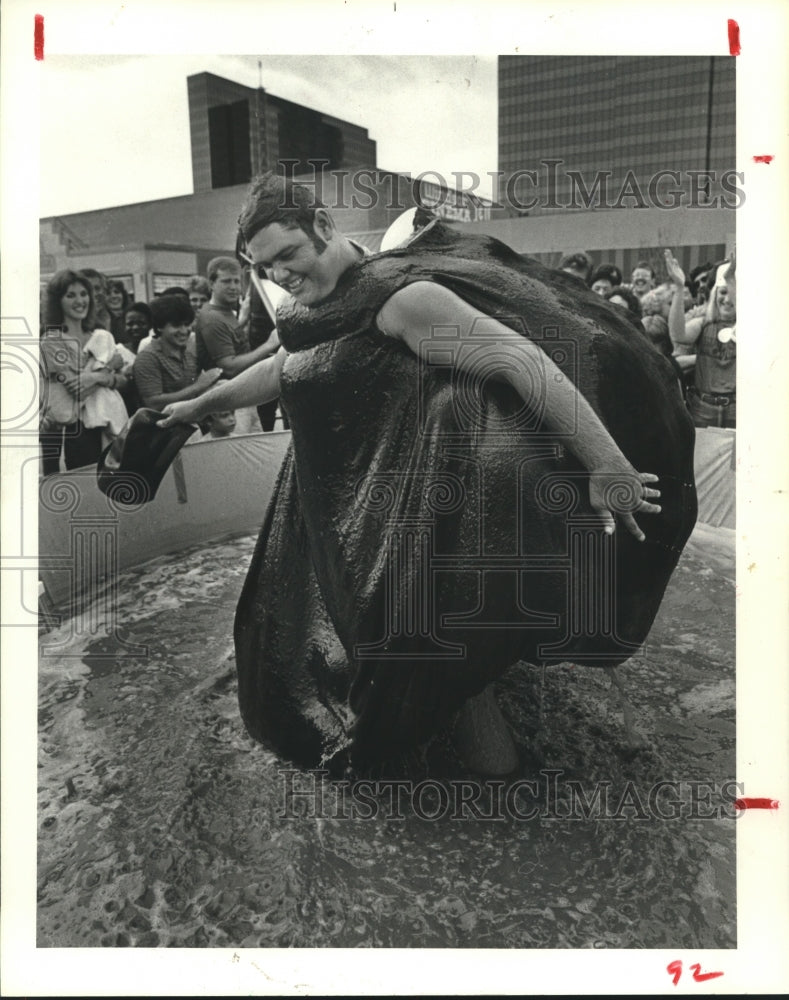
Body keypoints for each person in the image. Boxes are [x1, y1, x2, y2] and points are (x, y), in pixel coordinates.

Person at [159, 172, 696, 774]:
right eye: (265, 266)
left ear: (325, 228)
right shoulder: (311, 311)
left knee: (439, 672)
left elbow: (521, 361)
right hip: (354, 519)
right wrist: (199, 405)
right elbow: (282, 369)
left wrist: (606, 463)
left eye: (288, 255)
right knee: (405, 659)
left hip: (426, 526)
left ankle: (510, 817)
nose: (280, 275)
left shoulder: (403, 300)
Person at [40, 269, 128, 475]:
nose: (80, 301)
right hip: (72, 432)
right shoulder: (52, 341)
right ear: (57, 301)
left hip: (107, 426)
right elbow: (76, 390)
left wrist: (98, 376)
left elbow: (124, 380)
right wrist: (105, 370)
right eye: (70, 295)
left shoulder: (101, 336)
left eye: (83, 294)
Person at [194, 257, 275, 434]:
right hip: (232, 401)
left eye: (237, 281)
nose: (233, 287)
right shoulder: (213, 319)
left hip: (242, 397)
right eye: (226, 281)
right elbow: (229, 366)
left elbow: (232, 343)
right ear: (212, 283)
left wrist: (242, 321)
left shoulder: (224, 312)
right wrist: (269, 345)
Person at [665, 249, 736, 428]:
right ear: (714, 294)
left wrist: (729, 278)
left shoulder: (751, 327)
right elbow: (677, 334)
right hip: (703, 408)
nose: (727, 299)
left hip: (739, 407)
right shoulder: (704, 322)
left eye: (732, 292)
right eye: (722, 292)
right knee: (704, 456)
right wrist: (680, 288)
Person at [132, 294, 221, 411]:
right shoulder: (148, 357)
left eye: (187, 324)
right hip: (163, 425)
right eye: (176, 325)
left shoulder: (187, 353)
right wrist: (198, 386)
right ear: (159, 326)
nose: (184, 331)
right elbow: (153, 403)